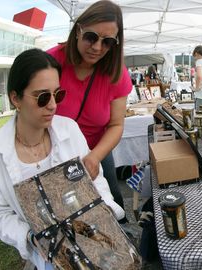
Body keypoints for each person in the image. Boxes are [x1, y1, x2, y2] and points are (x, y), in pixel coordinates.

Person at [0, 48, 125, 270]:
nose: (53, 105)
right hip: (50, 258)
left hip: (95, 241)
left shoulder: (70, 130)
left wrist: (104, 214)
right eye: (42, 97)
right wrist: (30, 237)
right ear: (15, 98)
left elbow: (96, 182)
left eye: (58, 94)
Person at [47, 0, 132, 221]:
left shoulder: (117, 73)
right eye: (91, 37)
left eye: (107, 42)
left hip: (96, 150)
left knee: (112, 201)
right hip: (55, 154)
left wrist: (95, 157)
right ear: (78, 30)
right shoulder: (51, 61)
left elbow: (115, 125)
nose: (97, 47)